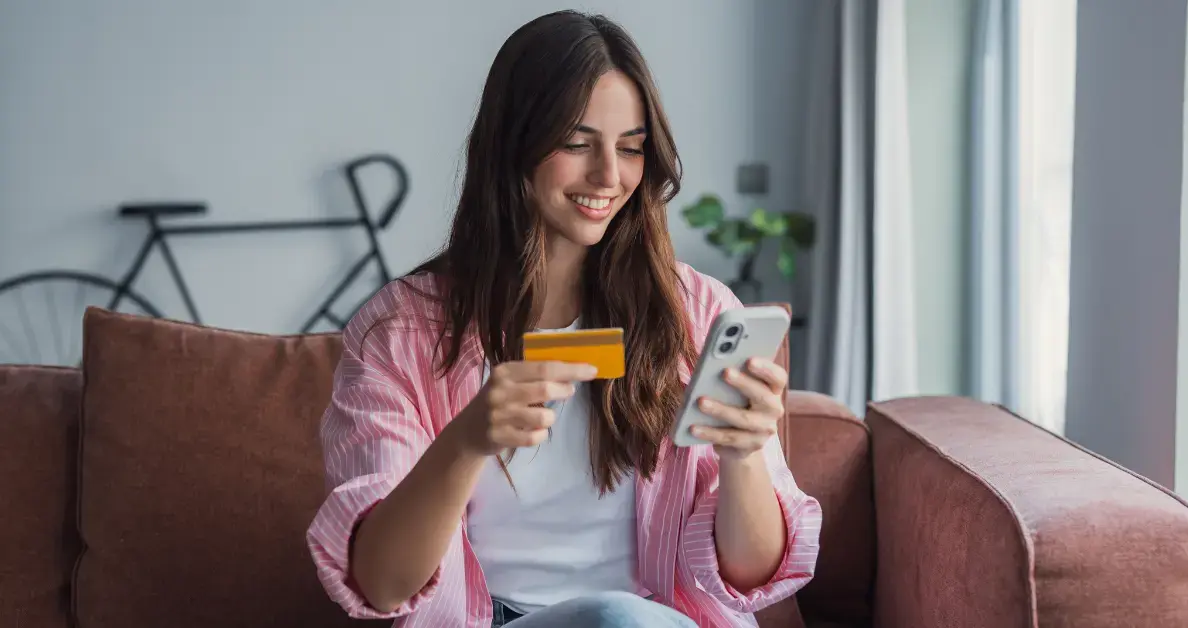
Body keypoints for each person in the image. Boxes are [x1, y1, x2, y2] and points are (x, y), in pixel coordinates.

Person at [306, 10, 822, 628]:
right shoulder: (400, 333)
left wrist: (742, 459)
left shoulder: (698, 314)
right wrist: (466, 440)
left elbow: (751, 579)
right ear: (513, 144)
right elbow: (383, 587)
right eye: (578, 145)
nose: (609, 176)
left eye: (630, 149)